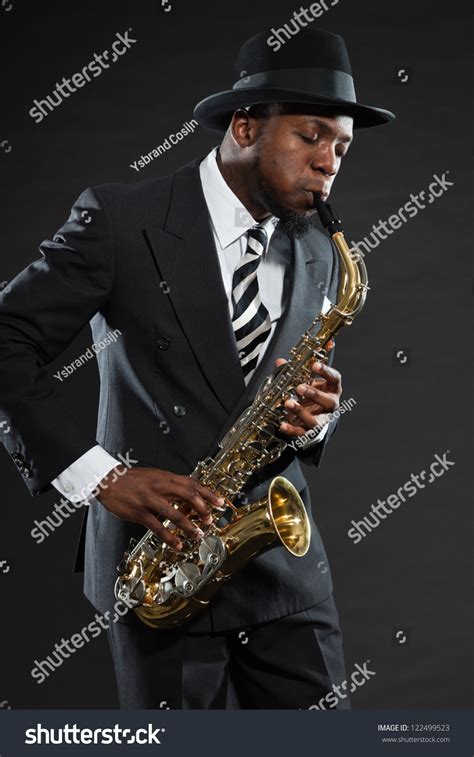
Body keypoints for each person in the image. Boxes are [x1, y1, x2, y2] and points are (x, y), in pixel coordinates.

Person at [0, 28, 394, 709]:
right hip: (158, 572)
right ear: (245, 124)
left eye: (342, 147)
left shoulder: (326, 253)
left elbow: (293, 391)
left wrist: (317, 418)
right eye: (312, 135)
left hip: (283, 574)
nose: (330, 162)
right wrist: (103, 477)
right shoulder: (121, 220)